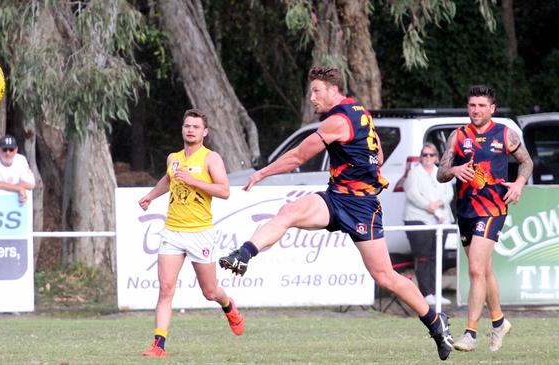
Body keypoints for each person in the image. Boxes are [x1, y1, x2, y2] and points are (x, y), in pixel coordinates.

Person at [219, 66, 454, 361]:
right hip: (335, 198)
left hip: (361, 206)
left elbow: (298, 156)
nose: (312, 98)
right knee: (289, 212)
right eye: (311, 92)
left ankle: (435, 322)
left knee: (385, 276)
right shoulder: (359, 111)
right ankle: (244, 253)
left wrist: (262, 172)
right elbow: (378, 154)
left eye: (316, 91)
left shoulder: (338, 120)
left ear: (333, 90)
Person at [137, 109, 245, 358]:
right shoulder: (173, 157)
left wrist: (194, 181)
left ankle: (228, 305)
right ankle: (158, 346)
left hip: (199, 232)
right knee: (165, 289)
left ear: (204, 132)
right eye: (187, 126)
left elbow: (224, 191)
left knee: (209, 292)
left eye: (196, 127)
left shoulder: (211, 158)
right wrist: (150, 196)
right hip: (173, 231)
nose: (190, 130)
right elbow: (168, 179)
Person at [437, 85, 533, 352]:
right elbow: (441, 173)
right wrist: (454, 169)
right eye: (472, 105)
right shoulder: (458, 136)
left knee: (476, 270)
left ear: (492, 108)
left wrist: (519, 184)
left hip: (493, 208)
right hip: (465, 210)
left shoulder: (505, 134)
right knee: (485, 269)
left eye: (481, 106)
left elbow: (527, 162)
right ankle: (499, 321)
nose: (476, 110)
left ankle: (470, 332)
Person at [403, 143, 454, 306]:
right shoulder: (414, 173)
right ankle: (425, 293)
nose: (428, 158)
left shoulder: (441, 172)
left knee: (437, 257)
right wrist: (429, 206)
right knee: (423, 257)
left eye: (431, 155)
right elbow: (412, 194)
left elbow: (449, 193)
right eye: (425, 155)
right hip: (418, 218)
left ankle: (435, 292)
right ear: (421, 157)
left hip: (441, 220)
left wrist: (438, 204)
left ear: (436, 157)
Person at [0, 134, 35, 204]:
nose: (8, 153)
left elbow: (30, 184)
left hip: (14, 205)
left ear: (16, 150)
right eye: (4, 149)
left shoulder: (21, 160)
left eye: (11, 149)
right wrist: (18, 188)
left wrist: (6, 187)